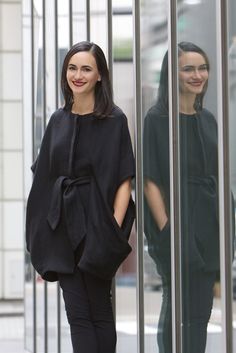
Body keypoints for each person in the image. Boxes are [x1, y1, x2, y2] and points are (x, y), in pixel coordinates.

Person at [26, 41, 135, 353]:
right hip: (62, 225)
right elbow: (44, 176)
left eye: (86, 68)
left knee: (99, 309)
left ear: (99, 75)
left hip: (98, 223)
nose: (78, 74)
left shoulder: (114, 120)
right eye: (72, 67)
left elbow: (123, 180)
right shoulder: (57, 120)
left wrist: (112, 230)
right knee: (76, 314)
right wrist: (41, 233)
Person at [143, 42, 235, 353]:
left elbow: (218, 175)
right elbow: (150, 181)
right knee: (178, 306)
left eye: (202, 68)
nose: (198, 75)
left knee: (200, 312)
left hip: (209, 222)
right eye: (188, 69)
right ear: (173, 74)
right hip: (176, 224)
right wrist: (168, 229)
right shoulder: (156, 119)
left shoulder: (208, 119)